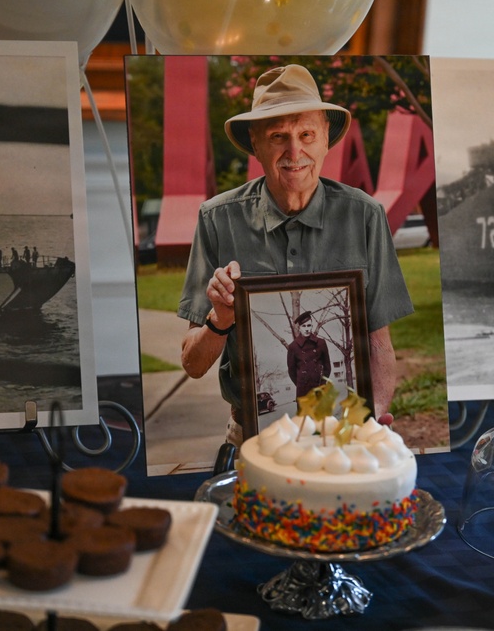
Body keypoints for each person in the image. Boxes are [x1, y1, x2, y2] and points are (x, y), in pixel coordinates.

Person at [177, 64, 413, 446]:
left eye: (306, 134)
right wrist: (220, 318)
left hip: (343, 433)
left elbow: (379, 345)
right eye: (277, 136)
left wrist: (373, 420)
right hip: (252, 440)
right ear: (255, 143)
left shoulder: (365, 216)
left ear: (325, 140)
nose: (294, 151)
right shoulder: (217, 220)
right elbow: (193, 363)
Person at [286, 311, 332, 400]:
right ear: (299, 328)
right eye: (303, 326)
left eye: (309, 325)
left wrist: (322, 384)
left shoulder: (321, 343)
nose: (306, 329)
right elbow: (291, 371)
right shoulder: (293, 347)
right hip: (303, 392)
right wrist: (301, 384)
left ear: (311, 326)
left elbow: (327, 367)